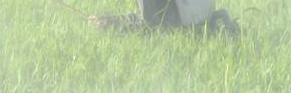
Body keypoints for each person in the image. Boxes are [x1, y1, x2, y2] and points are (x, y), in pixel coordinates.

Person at [89, 0, 239, 35]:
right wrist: (115, 19)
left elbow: (151, 28)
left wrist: (113, 25)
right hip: (205, 16)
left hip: (185, 23)